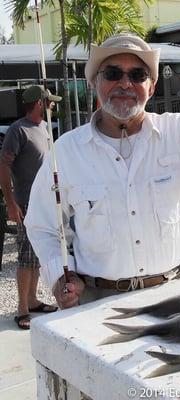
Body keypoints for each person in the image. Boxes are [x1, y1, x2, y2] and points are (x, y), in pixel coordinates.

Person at [24, 34, 180, 310]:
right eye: (112, 73)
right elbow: (41, 224)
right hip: (97, 303)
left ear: (151, 87)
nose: (125, 83)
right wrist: (60, 276)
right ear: (94, 82)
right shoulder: (67, 151)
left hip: (176, 293)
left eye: (138, 74)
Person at [0, 85, 62, 329]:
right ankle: (22, 308)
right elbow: (3, 165)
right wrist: (11, 202)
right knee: (26, 257)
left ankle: (33, 300)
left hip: (45, 203)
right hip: (26, 204)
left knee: (38, 255)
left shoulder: (44, 127)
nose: (52, 105)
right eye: (49, 101)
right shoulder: (18, 130)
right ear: (39, 103)